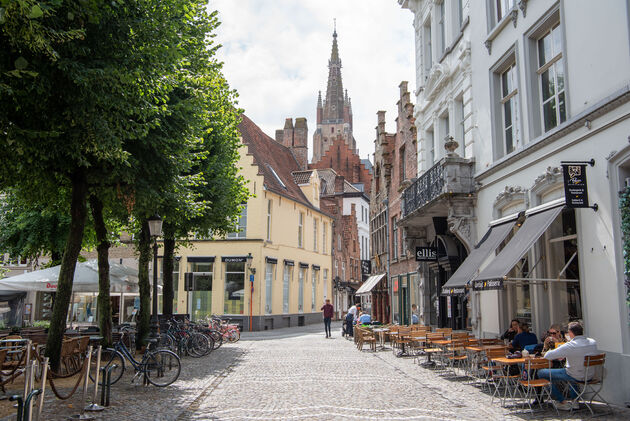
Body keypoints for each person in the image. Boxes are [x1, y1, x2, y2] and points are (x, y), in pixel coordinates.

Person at [540, 321, 598, 410]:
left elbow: (548, 356)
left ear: (570, 333)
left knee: (541, 373)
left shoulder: (571, 345)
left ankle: (561, 401)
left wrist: (555, 344)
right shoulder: (593, 342)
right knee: (571, 370)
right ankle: (575, 401)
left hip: (575, 375)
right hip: (590, 375)